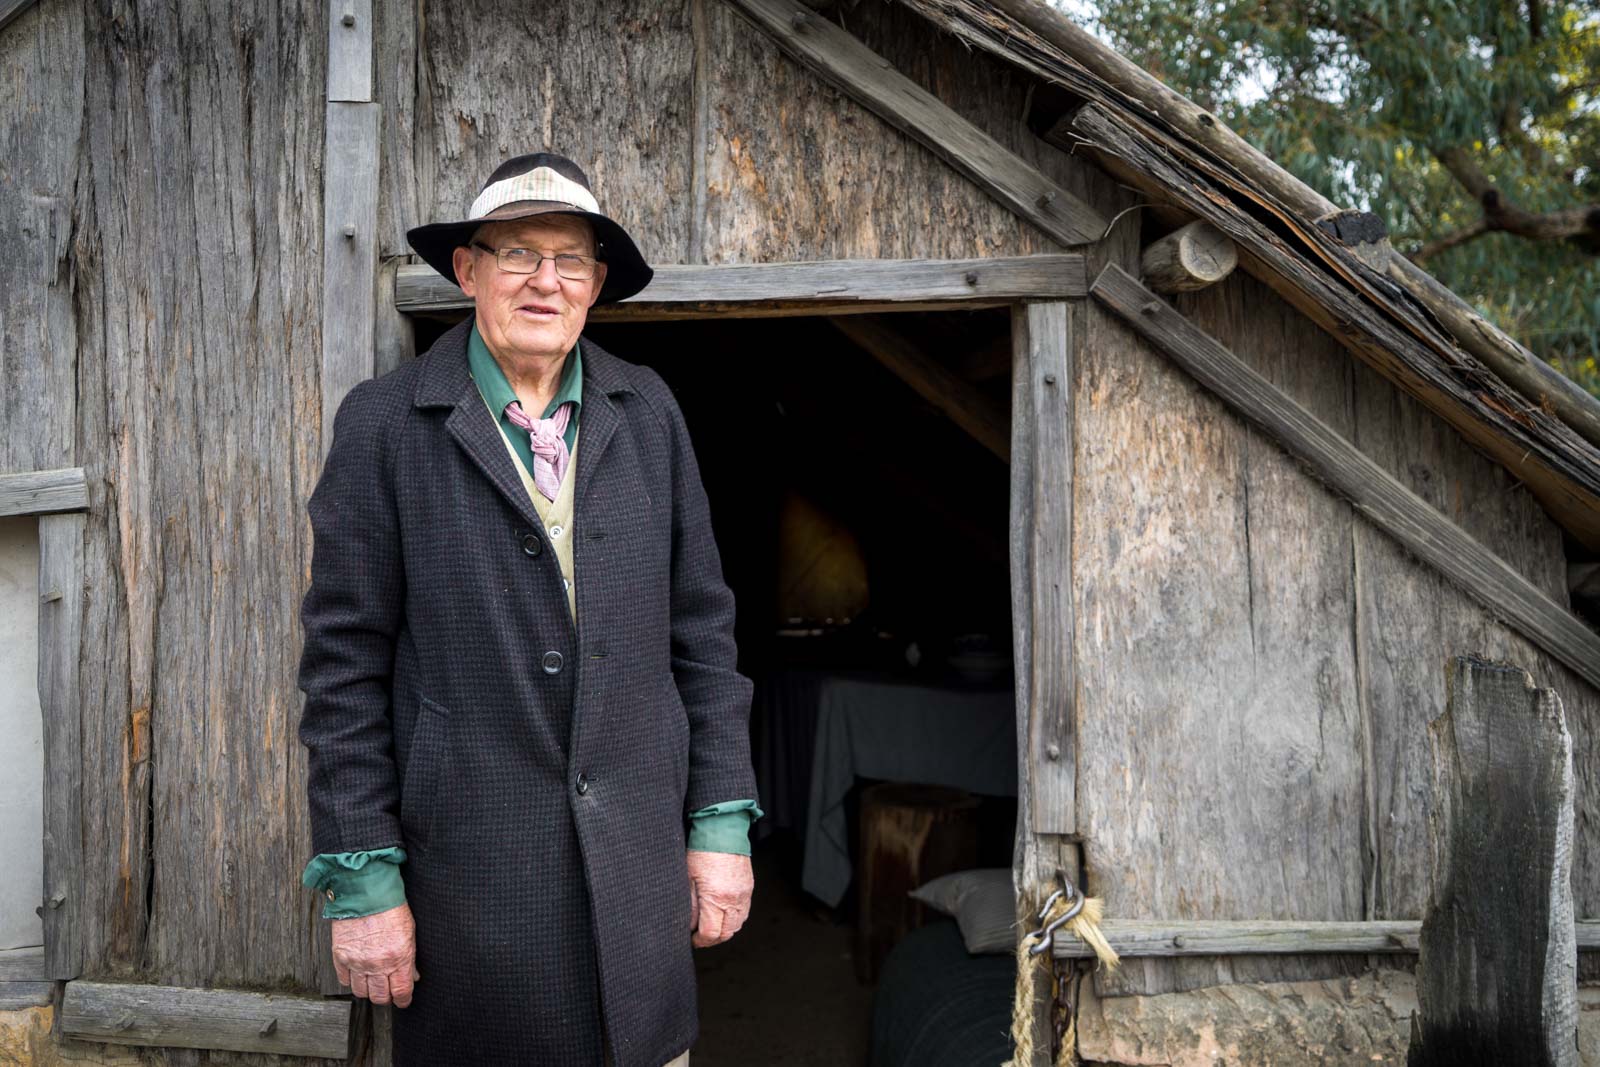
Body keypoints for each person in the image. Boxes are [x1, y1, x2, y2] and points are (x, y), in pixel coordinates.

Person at [297, 152, 760, 1067]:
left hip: (638, 884)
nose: (546, 280)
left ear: (595, 283)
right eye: (517, 253)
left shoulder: (649, 410)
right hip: (468, 888)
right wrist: (363, 880)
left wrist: (719, 825)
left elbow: (703, 633)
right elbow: (342, 666)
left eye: (572, 259)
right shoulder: (388, 424)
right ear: (467, 271)